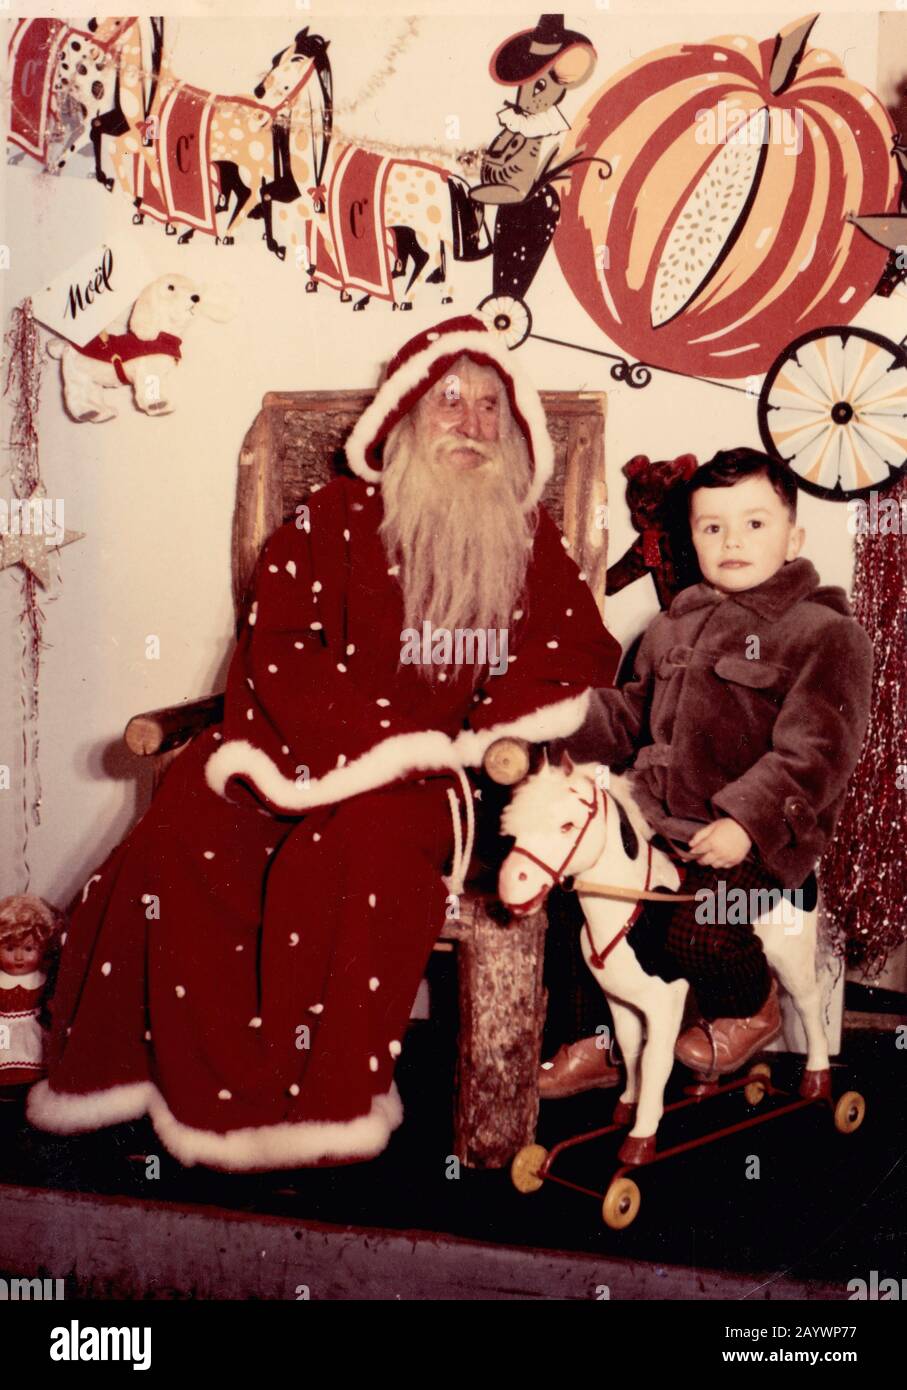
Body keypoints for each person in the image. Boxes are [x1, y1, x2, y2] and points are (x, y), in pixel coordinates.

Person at [27, 314, 621, 1171]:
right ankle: (160, 1081)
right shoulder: (332, 517)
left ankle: (314, 1108)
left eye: (491, 406)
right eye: (447, 399)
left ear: (515, 428)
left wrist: (482, 729)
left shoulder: (529, 541)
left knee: (356, 850)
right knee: (193, 807)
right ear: (406, 419)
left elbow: (570, 654)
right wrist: (357, 746)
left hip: (450, 779)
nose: (470, 421)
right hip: (305, 753)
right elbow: (279, 651)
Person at [539, 447, 874, 1093]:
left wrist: (744, 823)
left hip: (761, 838)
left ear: (793, 535)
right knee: (575, 902)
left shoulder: (823, 632)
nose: (732, 541)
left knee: (702, 931)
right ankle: (600, 1041)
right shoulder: (668, 628)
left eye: (754, 523)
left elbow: (815, 752)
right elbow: (630, 719)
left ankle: (751, 1007)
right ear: (690, 538)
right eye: (711, 526)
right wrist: (558, 718)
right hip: (661, 822)